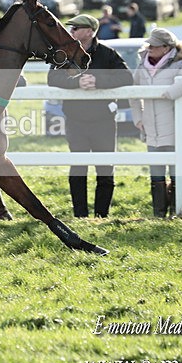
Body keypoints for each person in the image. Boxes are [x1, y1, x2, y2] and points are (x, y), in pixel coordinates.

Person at [48, 14, 133, 218]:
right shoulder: (65, 54)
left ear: (89, 31)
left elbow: (127, 76)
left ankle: (102, 215)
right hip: (75, 120)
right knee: (78, 168)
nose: (71, 32)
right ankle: (80, 215)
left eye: (75, 28)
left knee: (105, 169)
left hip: (103, 120)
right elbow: (52, 78)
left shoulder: (108, 54)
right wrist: (76, 83)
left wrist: (98, 81)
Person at [130, 27, 182, 218]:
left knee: (176, 171)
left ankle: (177, 211)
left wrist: (171, 92)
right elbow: (133, 90)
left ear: (166, 47)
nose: (150, 49)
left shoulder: (181, 63)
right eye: (149, 45)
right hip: (151, 127)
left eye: (154, 46)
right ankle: (159, 213)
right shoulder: (142, 64)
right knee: (156, 172)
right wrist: (138, 117)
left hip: (175, 126)